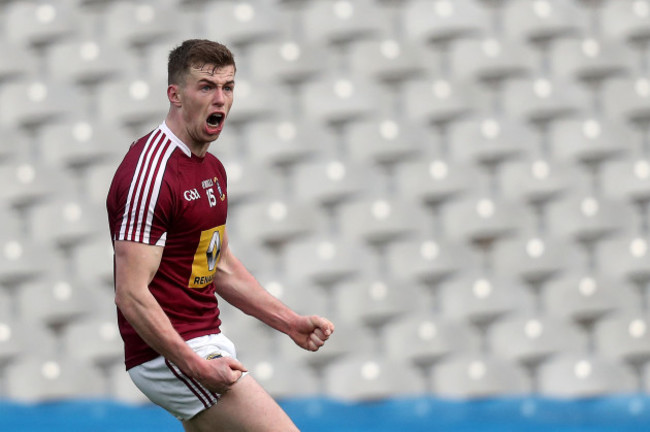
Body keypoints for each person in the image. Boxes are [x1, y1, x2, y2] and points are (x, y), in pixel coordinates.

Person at [106, 39, 334, 432]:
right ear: (174, 95)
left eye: (228, 87)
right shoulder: (152, 173)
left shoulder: (211, 168)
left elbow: (220, 266)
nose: (220, 99)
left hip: (204, 341)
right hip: (171, 353)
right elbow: (130, 293)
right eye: (206, 86)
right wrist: (194, 365)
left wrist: (289, 322)